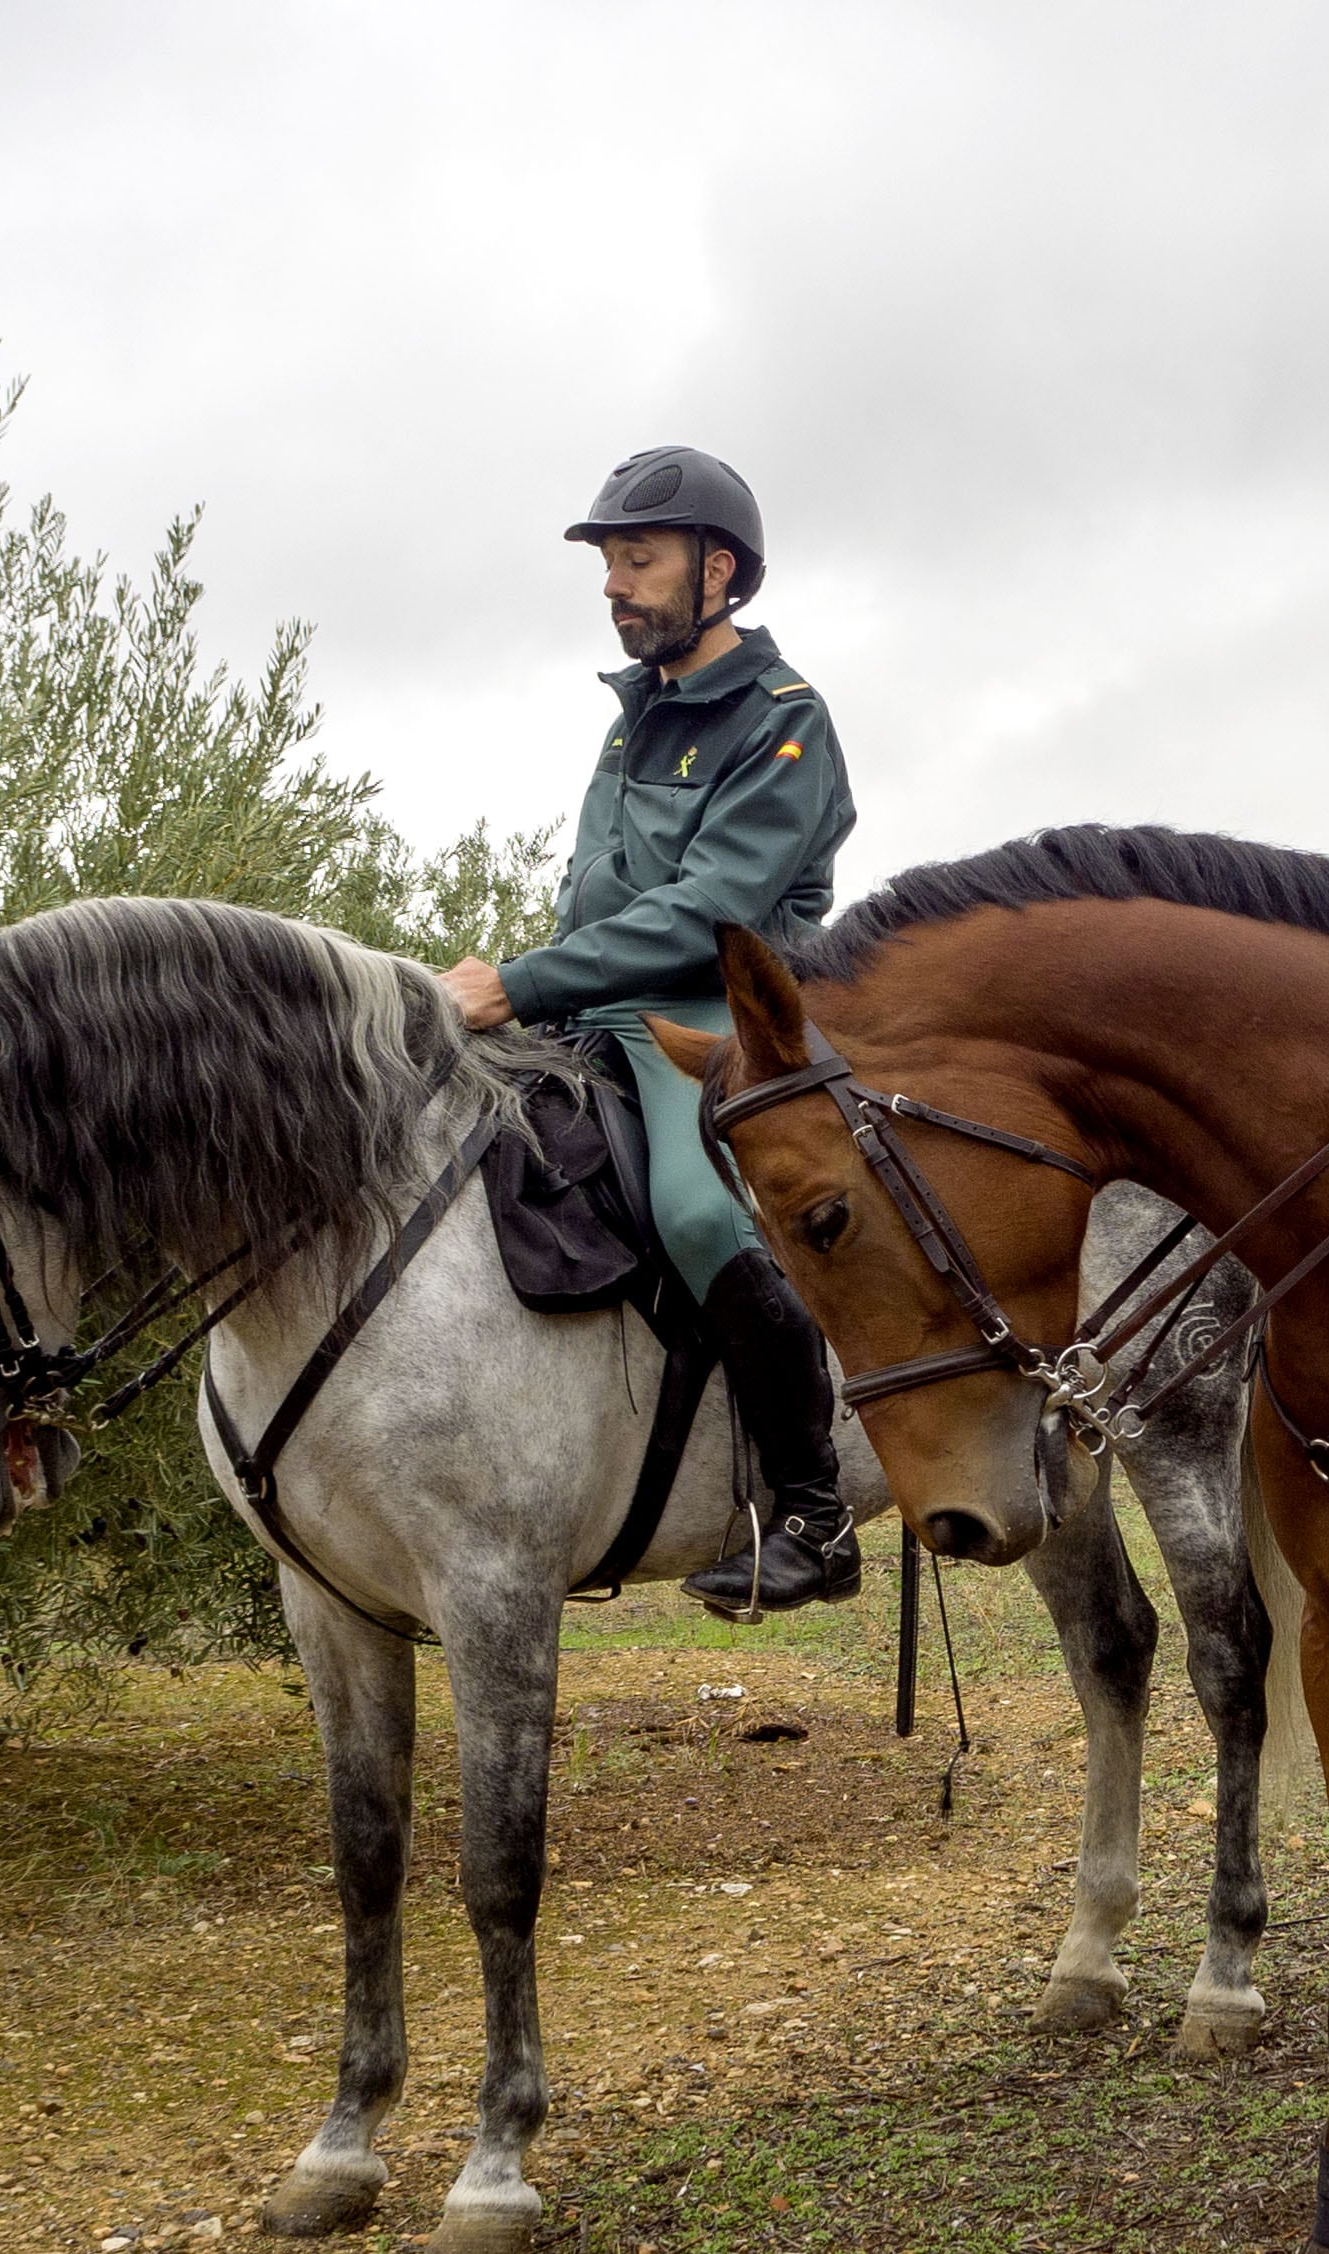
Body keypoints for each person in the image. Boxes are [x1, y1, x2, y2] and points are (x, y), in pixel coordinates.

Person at [436, 445, 865, 1610]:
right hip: (590, 1006)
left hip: (711, 1020)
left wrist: (519, 983)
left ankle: (814, 1515)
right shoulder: (636, 721)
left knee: (688, 1205)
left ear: (716, 570)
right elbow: (600, 894)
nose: (615, 585)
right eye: (610, 563)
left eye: (640, 559)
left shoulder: (785, 722)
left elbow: (707, 912)